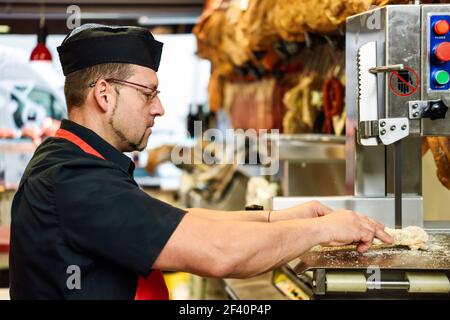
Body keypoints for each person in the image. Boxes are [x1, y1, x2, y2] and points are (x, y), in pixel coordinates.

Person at [9, 24, 393, 300]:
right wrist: (322, 231)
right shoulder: (73, 177)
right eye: (148, 94)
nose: (159, 109)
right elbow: (219, 253)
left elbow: (181, 222)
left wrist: (286, 217)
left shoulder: (77, 161)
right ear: (105, 95)